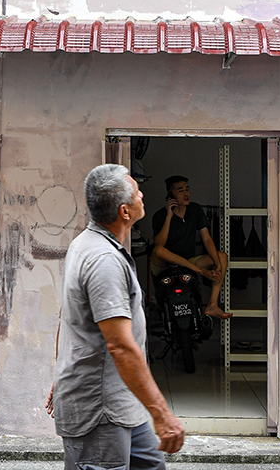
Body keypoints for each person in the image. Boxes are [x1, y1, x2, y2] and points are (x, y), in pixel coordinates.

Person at [47, 164, 185, 470]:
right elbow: (120, 346)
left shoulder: (86, 244)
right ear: (125, 211)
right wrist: (162, 413)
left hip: (123, 403)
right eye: (136, 192)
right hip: (100, 410)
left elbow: (67, 319)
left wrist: (62, 373)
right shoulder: (104, 260)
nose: (142, 195)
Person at [149, 175, 232, 319]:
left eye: (187, 189)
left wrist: (217, 265)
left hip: (188, 262)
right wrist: (169, 216)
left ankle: (212, 304)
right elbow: (159, 244)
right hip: (165, 265)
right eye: (180, 190)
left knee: (222, 256)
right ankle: (201, 272)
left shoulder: (195, 209)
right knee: (158, 250)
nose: (186, 193)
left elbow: (207, 238)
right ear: (170, 195)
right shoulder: (160, 216)